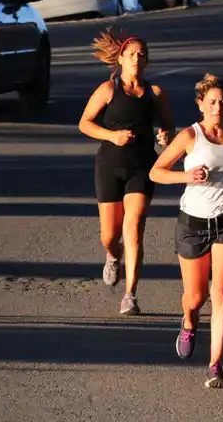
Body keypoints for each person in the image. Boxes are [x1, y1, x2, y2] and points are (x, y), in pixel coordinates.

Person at [149, 73, 223, 389]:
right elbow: (156, 172)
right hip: (193, 224)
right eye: (212, 101)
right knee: (196, 296)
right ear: (200, 104)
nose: (218, 107)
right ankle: (190, 321)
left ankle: (216, 365)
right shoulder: (190, 136)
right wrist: (187, 176)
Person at [78, 28, 175, 315]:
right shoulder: (109, 90)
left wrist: (166, 136)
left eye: (141, 55)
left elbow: (169, 126)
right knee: (109, 235)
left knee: (133, 229)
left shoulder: (155, 93)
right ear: (120, 59)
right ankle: (112, 254)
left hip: (142, 167)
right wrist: (112, 136)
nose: (136, 58)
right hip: (109, 166)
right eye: (131, 54)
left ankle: (130, 295)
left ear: (147, 61)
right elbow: (85, 123)